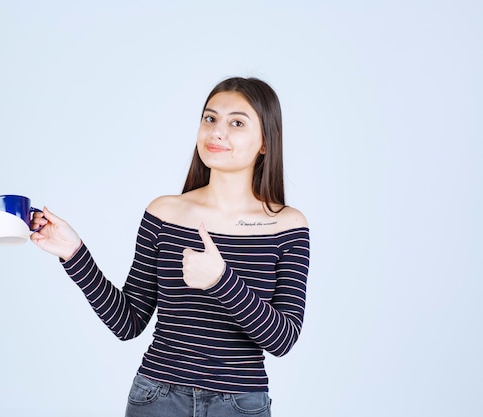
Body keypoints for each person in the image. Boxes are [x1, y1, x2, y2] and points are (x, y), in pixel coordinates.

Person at [30, 76, 310, 417]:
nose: (216, 132)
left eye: (236, 122)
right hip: (156, 398)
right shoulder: (164, 213)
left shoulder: (288, 225)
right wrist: (73, 253)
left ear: (265, 141)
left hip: (240, 404)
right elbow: (127, 322)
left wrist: (221, 280)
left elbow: (282, 339)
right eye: (210, 118)